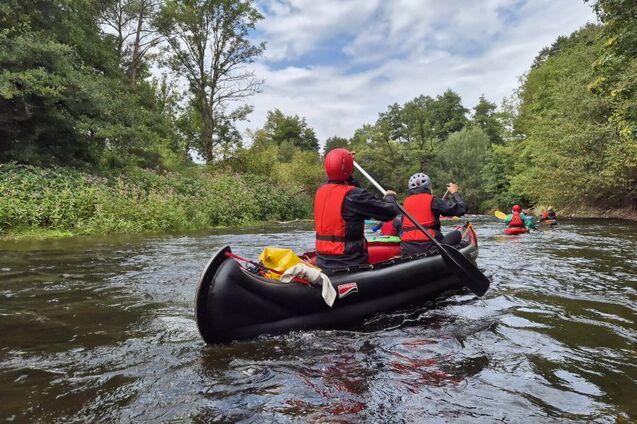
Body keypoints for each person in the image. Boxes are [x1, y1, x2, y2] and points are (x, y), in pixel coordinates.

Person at [314, 148, 401, 270]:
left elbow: (344, 186)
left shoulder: (320, 191)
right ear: (350, 169)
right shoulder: (355, 196)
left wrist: (346, 167)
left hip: (323, 260)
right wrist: (390, 197)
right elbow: (389, 213)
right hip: (349, 261)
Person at [399, 173, 467, 256]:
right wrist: (455, 193)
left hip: (407, 248)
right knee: (457, 234)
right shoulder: (433, 201)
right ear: (429, 187)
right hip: (430, 246)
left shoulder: (405, 204)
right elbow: (462, 209)